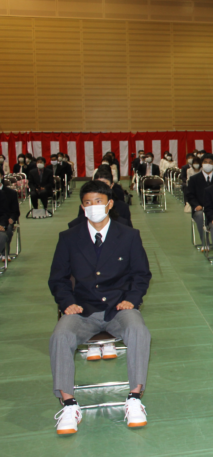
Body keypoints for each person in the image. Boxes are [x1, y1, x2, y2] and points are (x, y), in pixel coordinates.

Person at [49, 181, 152, 434]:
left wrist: (132, 299)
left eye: (98, 201)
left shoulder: (128, 235)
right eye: (87, 202)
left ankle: (135, 399)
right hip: (82, 310)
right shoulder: (69, 238)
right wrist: (67, 303)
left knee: (139, 331)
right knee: (60, 336)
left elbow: (141, 274)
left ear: (109, 203)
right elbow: (58, 278)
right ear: (82, 206)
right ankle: (69, 404)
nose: (93, 207)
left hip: (119, 307)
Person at [187, 153, 213, 250]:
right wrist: (196, 206)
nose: (207, 164)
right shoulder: (194, 179)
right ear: (201, 164)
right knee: (200, 215)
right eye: (205, 162)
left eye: (210, 162)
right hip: (201, 209)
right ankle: (205, 242)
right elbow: (190, 195)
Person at [0, 176, 20, 256]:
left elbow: (15, 211)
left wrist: (12, 218)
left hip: (6, 220)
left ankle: (4, 253)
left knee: (7, 229)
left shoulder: (11, 193)